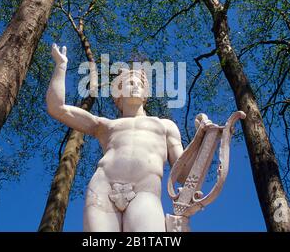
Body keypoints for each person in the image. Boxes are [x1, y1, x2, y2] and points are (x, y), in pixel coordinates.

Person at [46, 43, 209, 231]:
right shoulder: (105, 125)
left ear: (146, 95)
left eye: (141, 84)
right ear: (118, 94)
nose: (136, 86)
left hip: (145, 192)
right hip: (103, 188)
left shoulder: (165, 126)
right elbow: (57, 108)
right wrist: (61, 65)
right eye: (130, 83)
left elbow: (184, 175)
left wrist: (202, 143)